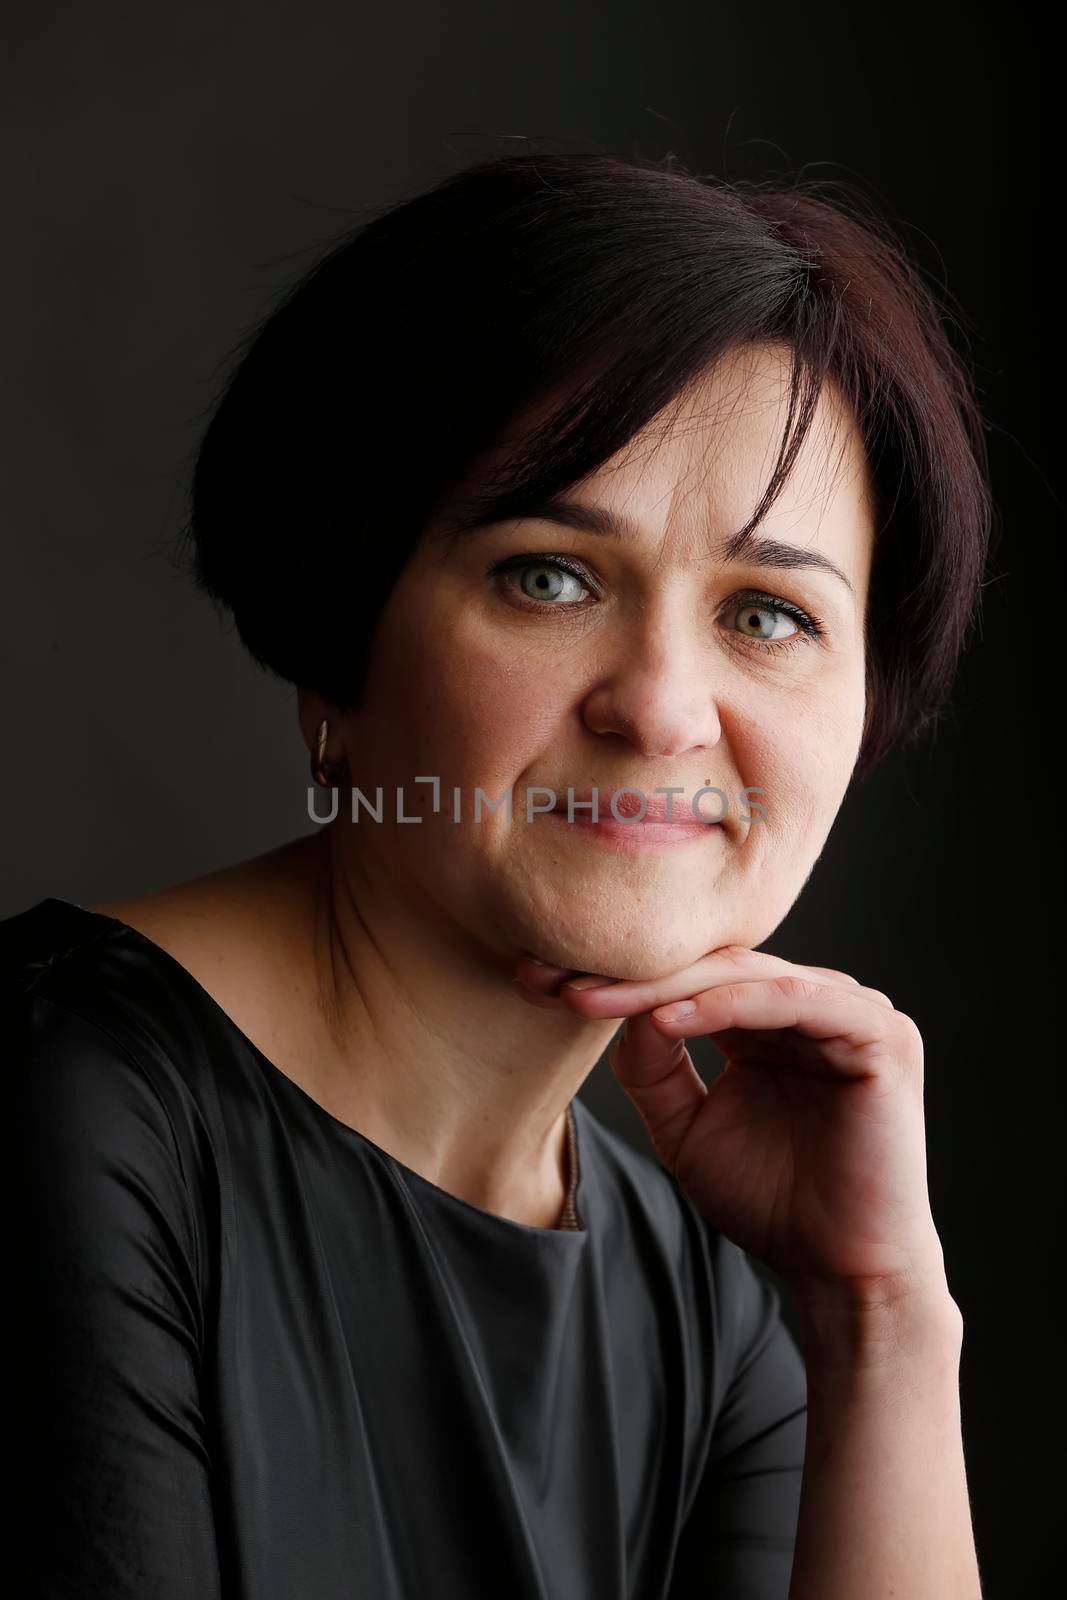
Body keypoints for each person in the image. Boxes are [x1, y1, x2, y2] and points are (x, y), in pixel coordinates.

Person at [4, 151, 993, 1598]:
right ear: (339, 639)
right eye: (551, 576)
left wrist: (881, 1324)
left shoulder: (709, 1312)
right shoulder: (58, 1113)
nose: (660, 707)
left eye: (770, 614)